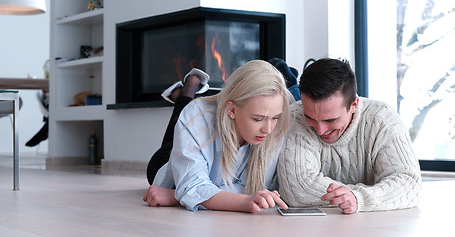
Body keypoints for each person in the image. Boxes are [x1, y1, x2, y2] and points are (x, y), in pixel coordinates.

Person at [143, 59, 293, 213]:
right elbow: (192, 186)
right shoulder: (198, 117)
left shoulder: (277, 127)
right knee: (179, 126)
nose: (268, 129)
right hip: (170, 163)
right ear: (232, 110)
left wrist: (179, 197)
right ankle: (185, 95)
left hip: (200, 165)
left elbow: (252, 187)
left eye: (274, 118)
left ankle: (184, 94)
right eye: (258, 119)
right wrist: (183, 192)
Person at [278, 57, 422, 214]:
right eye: (310, 118)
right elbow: (298, 190)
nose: (320, 130)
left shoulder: (383, 120)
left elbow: (409, 183)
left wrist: (358, 198)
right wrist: (376, 194)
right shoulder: (295, 116)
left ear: (354, 104)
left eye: (330, 120)